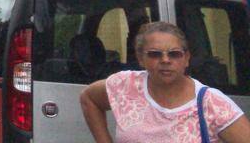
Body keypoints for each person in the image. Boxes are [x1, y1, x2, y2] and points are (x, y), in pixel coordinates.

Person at [80, 21, 250, 142]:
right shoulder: (125, 85)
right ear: (141, 58)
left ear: (186, 58)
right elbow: (89, 99)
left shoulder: (212, 103)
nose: (165, 60)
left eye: (174, 54)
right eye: (155, 54)